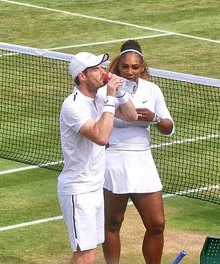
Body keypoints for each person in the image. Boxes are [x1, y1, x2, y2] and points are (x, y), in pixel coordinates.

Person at [58, 51, 137, 264]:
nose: (102, 72)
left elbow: (132, 116)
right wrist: (111, 97)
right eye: (95, 69)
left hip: (94, 187)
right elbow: (101, 137)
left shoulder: (101, 98)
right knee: (85, 255)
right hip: (78, 189)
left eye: (101, 68)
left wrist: (118, 93)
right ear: (82, 76)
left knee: (88, 254)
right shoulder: (73, 105)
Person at [102, 40, 175, 264]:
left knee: (157, 224)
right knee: (112, 223)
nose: (130, 71)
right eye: (126, 66)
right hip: (114, 160)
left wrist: (154, 118)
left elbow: (169, 127)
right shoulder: (108, 90)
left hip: (143, 161)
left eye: (135, 67)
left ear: (142, 67)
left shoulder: (152, 90)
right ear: (119, 66)